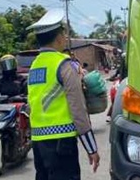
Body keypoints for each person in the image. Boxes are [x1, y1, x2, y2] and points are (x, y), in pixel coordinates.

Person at [26, 10, 99, 179]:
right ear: (58, 38)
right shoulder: (64, 65)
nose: (66, 38)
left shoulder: (34, 66)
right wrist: (91, 148)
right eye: (64, 34)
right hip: (61, 142)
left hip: (38, 142)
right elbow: (78, 108)